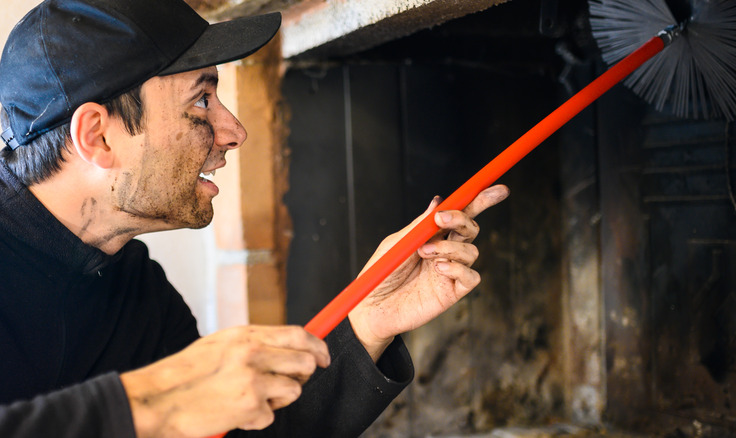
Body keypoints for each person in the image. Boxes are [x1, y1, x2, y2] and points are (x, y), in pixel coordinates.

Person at [0, 0, 509, 437]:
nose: (234, 131)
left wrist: (368, 321)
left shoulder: (134, 287)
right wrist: (157, 401)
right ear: (98, 136)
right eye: (201, 101)